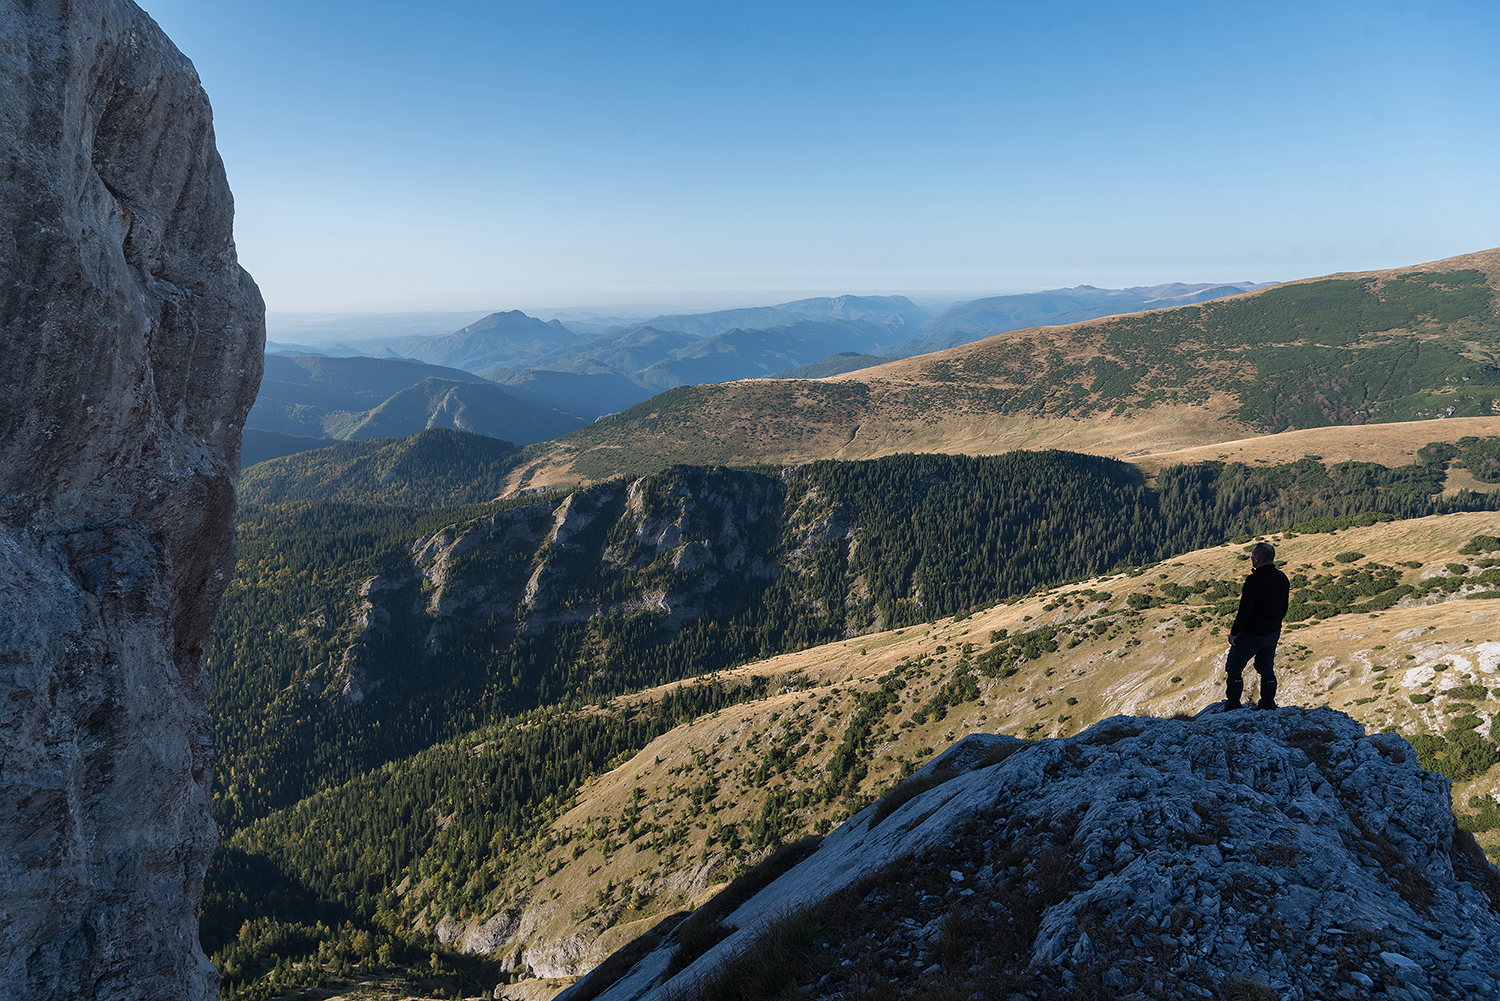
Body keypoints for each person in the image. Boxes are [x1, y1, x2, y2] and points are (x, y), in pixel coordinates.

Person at [1224, 541, 1291, 710]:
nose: (1252, 559)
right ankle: (1267, 703)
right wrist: (1274, 623)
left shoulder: (1254, 580)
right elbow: (1284, 607)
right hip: (1272, 632)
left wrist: (1234, 632)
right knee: (1266, 667)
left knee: (1234, 666)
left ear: (1257, 558)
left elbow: (1245, 610)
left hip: (1252, 632)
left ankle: (1233, 705)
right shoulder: (1282, 577)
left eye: (1252, 556)